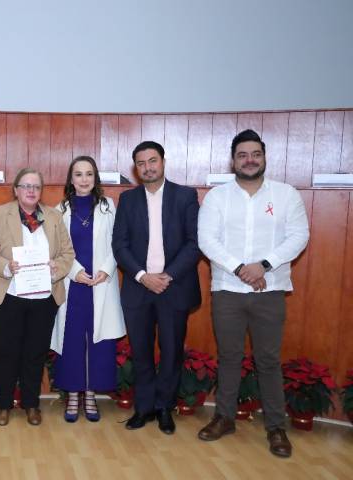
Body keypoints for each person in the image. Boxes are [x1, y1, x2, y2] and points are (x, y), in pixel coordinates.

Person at [197, 129, 309, 458]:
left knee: (268, 360)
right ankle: (224, 418)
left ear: (264, 157)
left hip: (269, 290)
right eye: (243, 155)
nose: (249, 160)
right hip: (228, 290)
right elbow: (207, 239)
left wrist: (263, 266)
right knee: (229, 357)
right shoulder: (217, 197)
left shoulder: (286, 194)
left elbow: (299, 236)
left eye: (255, 154)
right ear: (233, 160)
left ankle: (276, 427)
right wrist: (240, 269)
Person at [112, 141, 201, 435]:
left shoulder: (185, 196)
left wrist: (167, 275)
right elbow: (119, 245)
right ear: (135, 169)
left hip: (174, 287)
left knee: (171, 351)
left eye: (152, 161)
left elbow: (194, 243)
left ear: (163, 161)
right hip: (138, 288)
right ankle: (144, 407)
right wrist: (142, 276)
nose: (147, 167)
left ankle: (164, 408)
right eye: (141, 163)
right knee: (141, 352)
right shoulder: (127, 200)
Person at [0, 168, 74, 427]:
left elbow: (68, 253)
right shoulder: (0, 214)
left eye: (36, 186)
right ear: (16, 190)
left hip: (43, 297)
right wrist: (7, 266)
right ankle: (3, 405)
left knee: (35, 353)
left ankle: (31, 404)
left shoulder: (54, 216)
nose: (31, 191)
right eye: (26, 186)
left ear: (41, 191)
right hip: (7, 295)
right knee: (5, 352)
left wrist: (57, 268)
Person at [51, 156, 126, 423]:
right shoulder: (59, 210)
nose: (84, 179)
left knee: (99, 342)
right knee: (71, 339)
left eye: (89, 174)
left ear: (95, 178)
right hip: (73, 283)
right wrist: (75, 272)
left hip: (101, 282)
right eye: (78, 174)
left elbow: (119, 241)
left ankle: (91, 394)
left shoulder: (108, 206)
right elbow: (55, 248)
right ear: (71, 180)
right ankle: (73, 395)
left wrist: (106, 269)